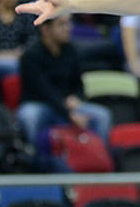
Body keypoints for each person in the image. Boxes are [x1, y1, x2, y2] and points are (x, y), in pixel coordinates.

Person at [16, 15, 111, 143]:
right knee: (29, 115)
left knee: (102, 116)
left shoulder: (71, 51)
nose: (69, 28)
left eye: (69, 23)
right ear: (45, 29)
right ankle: (33, 158)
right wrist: (69, 114)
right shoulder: (30, 56)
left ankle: (100, 158)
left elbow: (79, 85)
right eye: (62, 24)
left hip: (67, 104)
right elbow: (44, 92)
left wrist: (76, 97)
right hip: (42, 104)